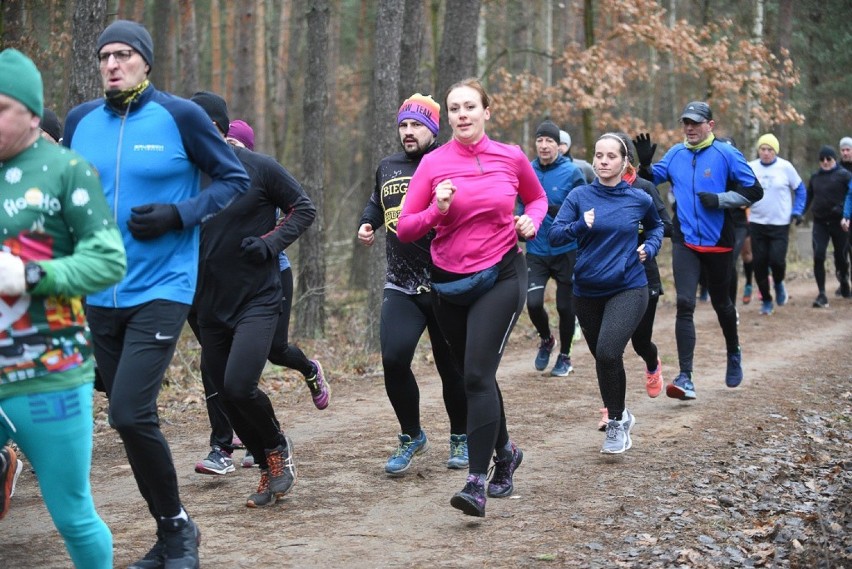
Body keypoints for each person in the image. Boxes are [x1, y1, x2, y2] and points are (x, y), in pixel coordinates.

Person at [63, 20, 250, 568]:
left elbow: (233, 180)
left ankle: (177, 531)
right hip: (98, 293)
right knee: (133, 418)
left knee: (127, 411)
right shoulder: (80, 122)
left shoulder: (180, 117)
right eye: (104, 56)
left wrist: (180, 214)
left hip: (163, 287)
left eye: (123, 54)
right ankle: (174, 532)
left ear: (145, 61)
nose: (112, 64)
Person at [397, 78, 547, 517]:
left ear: (486, 111)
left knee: (478, 375)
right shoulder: (432, 164)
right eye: (455, 109)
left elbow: (537, 200)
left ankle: (476, 482)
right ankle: (507, 450)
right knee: (471, 376)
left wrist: (530, 223)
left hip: (501, 274)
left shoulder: (511, 157)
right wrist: (437, 210)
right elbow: (406, 228)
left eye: (469, 107)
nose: (462, 115)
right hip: (448, 284)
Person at [0, 48, 126, 567]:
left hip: (50, 375)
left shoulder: (66, 171)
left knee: (72, 514)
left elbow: (107, 261)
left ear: (31, 114)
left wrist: (32, 274)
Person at [187, 92, 311, 507]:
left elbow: (303, 208)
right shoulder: (184, 177)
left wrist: (271, 242)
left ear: (218, 128)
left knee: (240, 385)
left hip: (257, 300)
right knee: (224, 391)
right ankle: (265, 465)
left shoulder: (258, 168)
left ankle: (277, 447)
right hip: (209, 305)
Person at [357, 93, 468, 476]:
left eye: (416, 125)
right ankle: (412, 435)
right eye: (403, 125)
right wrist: (368, 221)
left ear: (432, 129)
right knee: (393, 359)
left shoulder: (447, 163)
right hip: (401, 283)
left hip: (444, 283)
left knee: (450, 369)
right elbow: (377, 200)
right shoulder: (387, 165)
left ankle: (461, 435)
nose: (408, 132)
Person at [635, 101, 763, 400]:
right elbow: (650, 180)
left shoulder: (726, 154)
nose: (689, 128)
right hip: (685, 240)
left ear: (710, 125)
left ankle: (733, 352)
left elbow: (754, 191)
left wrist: (720, 200)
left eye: (695, 122)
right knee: (684, 303)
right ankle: (686, 377)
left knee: (723, 305)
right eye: (686, 123)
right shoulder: (676, 153)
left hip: (719, 242)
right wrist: (644, 165)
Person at [551, 132, 663, 452]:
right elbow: (556, 235)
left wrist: (650, 247)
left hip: (628, 287)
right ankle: (623, 414)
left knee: (609, 351)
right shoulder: (579, 197)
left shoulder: (638, 197)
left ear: (624, 161)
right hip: (586, 290)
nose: (603, 161)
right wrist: (579, 226)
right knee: (604, 358)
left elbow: (657, 226)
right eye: (598, 155)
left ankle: (615, 423)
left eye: (610, 156)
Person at [522, 120, 584, 376]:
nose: (544, 145)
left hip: (566, 249)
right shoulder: (526, 171)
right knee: (533, 303)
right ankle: (547, 339)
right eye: (540, 140)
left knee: (565, 307)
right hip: (536, 249)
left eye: (549, 141)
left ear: (559, 145)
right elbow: (517, 203)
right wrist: (518, 222)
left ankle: (566, 356)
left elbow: (584, 206)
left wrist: (567, 216)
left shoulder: (572, 172)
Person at [747, 133, 806, 315]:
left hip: (780, 223)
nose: (765, 153)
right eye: (762, 149)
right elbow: (740, 188)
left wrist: (797, 210)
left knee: (777, 261)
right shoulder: (751, 167)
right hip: (757, 222)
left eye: (769, 149)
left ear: (775, 151)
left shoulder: (785, 167)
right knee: (759, 265)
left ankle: (779, 283)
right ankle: (766, 300)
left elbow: (800, 190)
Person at [805, 145, 852, 306]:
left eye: (828, 159)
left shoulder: (844, 175)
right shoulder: (815, 177)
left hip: (839, 223)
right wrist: (799, 213)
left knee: (841, 256)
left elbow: (850, 195)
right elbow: (809, 196)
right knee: (818, 255)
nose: (825, 162)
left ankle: (844, 279)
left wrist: (843, 211)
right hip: (820, 222)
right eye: (822, 159)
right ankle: (822, 294)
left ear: (833, 159)